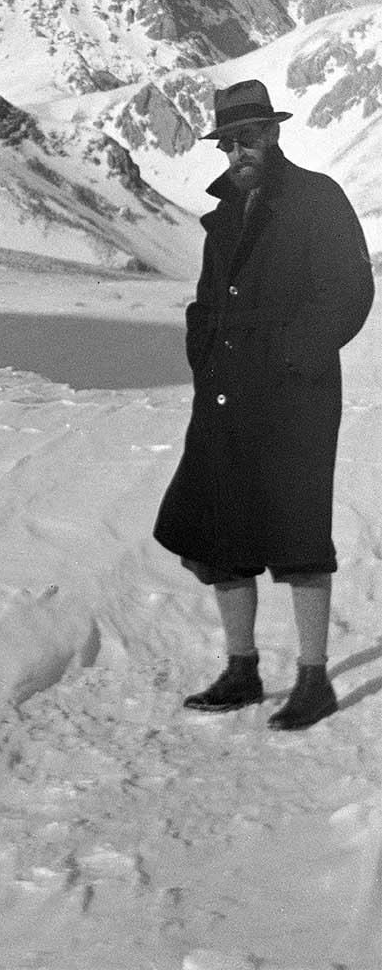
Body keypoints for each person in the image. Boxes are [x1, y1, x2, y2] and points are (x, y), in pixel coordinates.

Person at [153, 78, 374, 730]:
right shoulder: (223, 213)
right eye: (226, 142)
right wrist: (204, 352)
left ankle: (312, 680)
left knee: (297, 532)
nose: (237, 151)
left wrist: (292, 355)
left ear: (272, 133)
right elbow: (205, 302)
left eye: (247, 137)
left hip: (294, 392)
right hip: (225, 390)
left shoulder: (314, 199)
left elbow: (347, 290)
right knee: (223, 532)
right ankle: (241, 669)